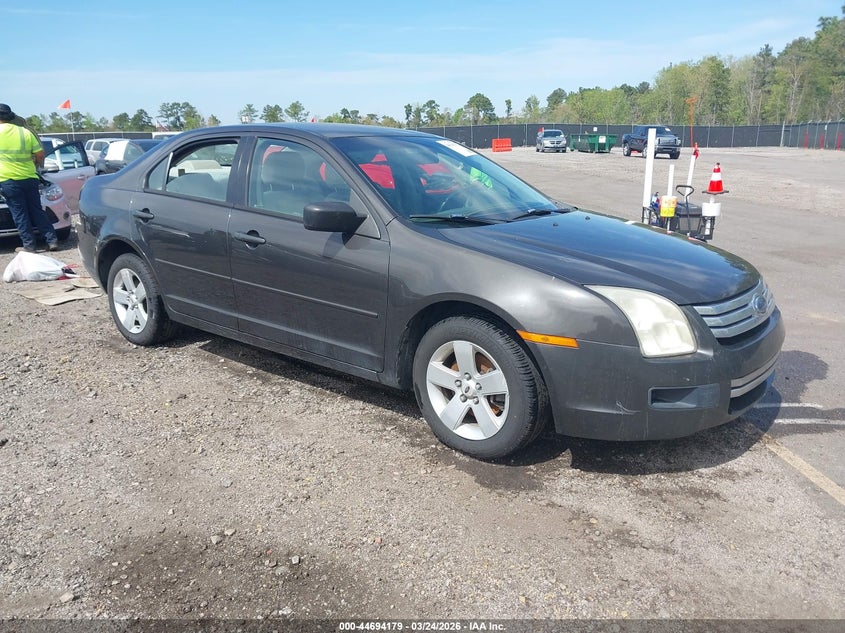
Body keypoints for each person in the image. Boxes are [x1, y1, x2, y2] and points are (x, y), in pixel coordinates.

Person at [0, 103, 58, 252]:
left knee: (20, 214)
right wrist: (34, 165)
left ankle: (29, 246)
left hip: (9, 181)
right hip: (30, 178)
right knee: (37, 210)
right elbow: (40, 154)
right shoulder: (24, 132)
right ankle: (51, 240)